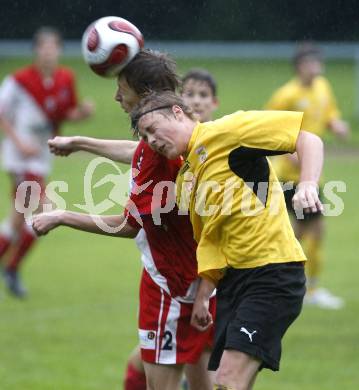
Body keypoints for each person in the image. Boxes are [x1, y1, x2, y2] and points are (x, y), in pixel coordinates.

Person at [33, 51, 216, 390]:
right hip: (199, 277)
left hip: (171, 286)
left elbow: (128, 224)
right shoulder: (174, 139)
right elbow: (139, 151)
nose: (116, 96)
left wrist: (62, 215)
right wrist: (81, 143)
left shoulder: (159, 155)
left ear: (145, 94)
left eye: (122, 88)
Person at [129, 90, 324, 390]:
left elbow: (307, 139)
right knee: (226, 383)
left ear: (178, 112)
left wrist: (308, 183)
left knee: (229, 380)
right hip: (233, 284)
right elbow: (211, 241)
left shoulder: (229, 130)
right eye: (145, 136)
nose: (152, 140)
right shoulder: (186, 179)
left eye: (153, 129)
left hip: (272, 272)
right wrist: (204, 294)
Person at [0, 26, 94, 297]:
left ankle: (11, 268)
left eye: (53, 47)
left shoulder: (66, 78)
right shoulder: (19, 81)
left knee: (17, 220)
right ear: (36, 51)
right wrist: (18, 142)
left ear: (60, 51)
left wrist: (83, 114)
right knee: (46, 207)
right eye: (44, 47)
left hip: (41, 157)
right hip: (20, 158)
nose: (49, 52)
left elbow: (67, 114)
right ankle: (13, 268)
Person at [265, 43, 349, 309]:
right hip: (291, 178)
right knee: (310, 229)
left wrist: (336, 124)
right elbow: (268, 127)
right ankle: (301, 285)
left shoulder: (323, 87)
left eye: (318, 62)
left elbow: (329, 112)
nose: (316, 67)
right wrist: (289, 151)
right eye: (311, 62)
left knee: (305, 230)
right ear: (300, 66)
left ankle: (284, 276)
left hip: (313, 176)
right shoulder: (286, 95)